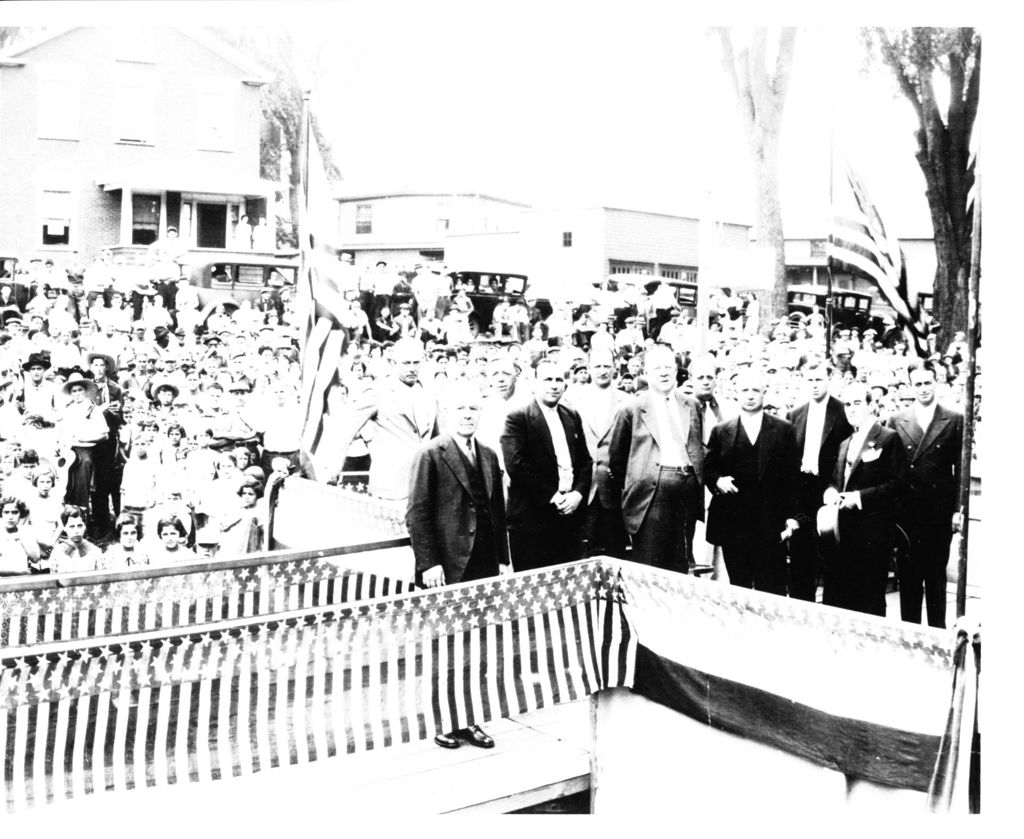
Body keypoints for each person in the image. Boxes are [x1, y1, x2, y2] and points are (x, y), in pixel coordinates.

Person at [406, 382, 510, 751]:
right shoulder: (431, 453)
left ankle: (470, 718)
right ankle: (442, 721)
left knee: (477, 644)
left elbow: (497, 511)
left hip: (483, 562)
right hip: (446, 566)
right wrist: (429, 564)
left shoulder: (488, 453)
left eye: (474, 409)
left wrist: (502, 560)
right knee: (444, 645)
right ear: (448, 414)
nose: (468, 415)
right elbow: (417, 513)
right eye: (461, 409)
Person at [608, 344, 705, 572]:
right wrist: (642, 478)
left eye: (668, 367)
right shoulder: (631, 409)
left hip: (686, 491)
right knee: (651, 563)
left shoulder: (691, 404)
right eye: (657, 368)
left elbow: (697, 447)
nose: (663, 372)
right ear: (645, 373)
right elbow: (617, 459)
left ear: (676, 370)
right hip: (650, 496)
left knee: (681, 563)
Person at [703, 368, 800, 595]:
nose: (750, 395)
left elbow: (793, 477)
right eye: (744, 390)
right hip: (733, 524)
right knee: (739, 587)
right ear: (736, 393)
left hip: (770, 523)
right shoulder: (721, 431)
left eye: (755, 390)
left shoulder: (784, 429)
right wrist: (718, 481)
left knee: (772, 586)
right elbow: (708, 469)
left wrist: (792, 517)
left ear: (764, 393)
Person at [885, 359, 963, 628]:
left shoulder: (953, 419)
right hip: (906, 515)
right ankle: (910, 634)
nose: (923, 388)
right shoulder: (897, 419)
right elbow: (890, 470)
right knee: (908, 578)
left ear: (936, 382)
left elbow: (960, 470)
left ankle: (938, 635)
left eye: (927, 382)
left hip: (937, 513)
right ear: (910, 386)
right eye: (917, 383)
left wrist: (957, 509)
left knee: (935, 579)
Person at [822, 383, 908, 617]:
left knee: (869, 600)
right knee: (842, 599)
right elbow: (835, 481)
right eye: (847, 404)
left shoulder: (888, 438)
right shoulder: (845, 443)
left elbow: (898, 484)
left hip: (872, 534)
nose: (851, 409)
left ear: (872, 405)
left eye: (857, 403)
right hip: (843, 535)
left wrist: (859, 498)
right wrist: (830, 491)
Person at [500, 359, 592, 572]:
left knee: (569, 586)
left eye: (558, 380)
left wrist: (577, 494)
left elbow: (585, 461)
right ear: (534, 384)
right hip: (533, 520)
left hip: (569, 516)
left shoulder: (571, 415)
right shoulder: (518, 417)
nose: (553, 385)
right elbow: (516, 464)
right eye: (547, 379)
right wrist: (554, 496)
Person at [333, 338, 438, 501]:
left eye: (416, 363)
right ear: (394, 362)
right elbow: (344, 429)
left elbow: (439, 438)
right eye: (406, 363)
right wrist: (331, 470)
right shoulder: (378, 391)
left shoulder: (430, 393)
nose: (412, 368)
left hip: (426, 487)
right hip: (391, 487)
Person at [785, 361, 853, 602]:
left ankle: (833, 607)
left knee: (832, 553)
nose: (814, 385)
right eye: (809, 380)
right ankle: (801, 605)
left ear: (829, 379)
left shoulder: (843, 411)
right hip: (802, 490)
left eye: (819, 379)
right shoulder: (795, 414)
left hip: (829, 489)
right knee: (801, 554)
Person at [564, 348, 630, 558]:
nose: (602, 371)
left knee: (616, 550)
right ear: (589, 368)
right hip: (583, 487)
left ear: (615, 368)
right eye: (597, 366)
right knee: (582, 551)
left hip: (615, 487)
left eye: (606, 366)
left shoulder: (627, 401)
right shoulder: (572, 400)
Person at [51, 505, 106, 573]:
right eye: (72, 526)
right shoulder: (57, 552)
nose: (76, 531)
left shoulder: (95, 552)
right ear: (65, 528)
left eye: (79, 526)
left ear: (85, 526)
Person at [0, 496, 40, 576]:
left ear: (20, 514)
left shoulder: (25, 533)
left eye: (15, 512)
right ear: (1, 514)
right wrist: (19, 572)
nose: (10, 517)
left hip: (21, 583)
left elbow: (35, 558)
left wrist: (22, 535)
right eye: (6, 512)